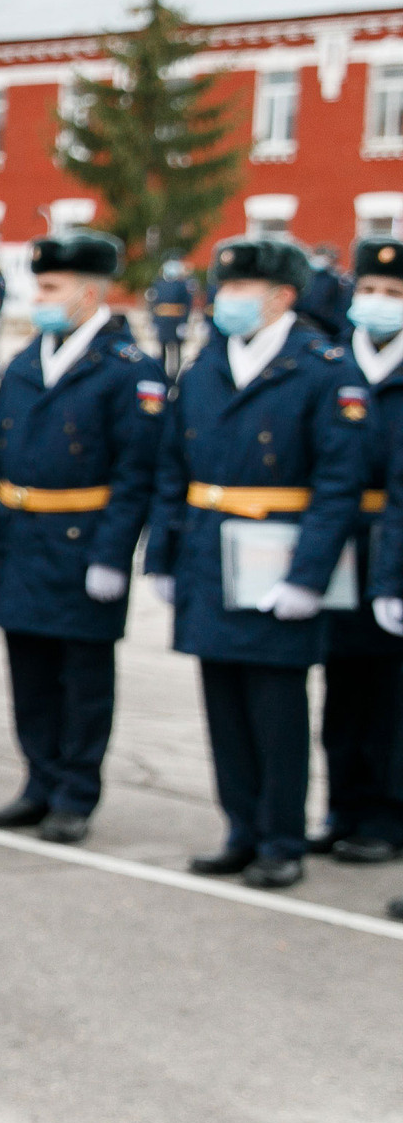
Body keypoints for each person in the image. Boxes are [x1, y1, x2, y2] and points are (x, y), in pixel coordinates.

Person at [144, 235, 367, 889]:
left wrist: (308, 576)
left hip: (280, 556)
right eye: (224, 287)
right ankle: (240, 828)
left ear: (283, 297)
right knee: (223, 704)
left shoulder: (322, 368)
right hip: (211, 553)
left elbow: (338, 486)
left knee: (275, 709)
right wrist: (162, 554)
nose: (225, 300)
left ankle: (281, 838)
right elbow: (172, 466)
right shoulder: (208, 363)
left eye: (241, 290)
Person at [0, 232, 161, 844]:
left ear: (88, 291)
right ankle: (38, 783)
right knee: (30, 670)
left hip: (83, 541)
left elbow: (137, 472)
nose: (39, 297)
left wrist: (113, 554)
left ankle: (76, 793)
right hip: (22, 535)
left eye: (50, 287)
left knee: (81, 678)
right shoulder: (26, 361)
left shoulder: (127, 370)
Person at [321, 237, 403, 863]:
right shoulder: (334, 362)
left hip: (393, 545)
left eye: (393, 294)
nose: (378, 302)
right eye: (371, 291)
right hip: (337, 539)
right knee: (341, 688)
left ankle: (384, 816)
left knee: (389, 695)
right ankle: (343, 805)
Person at [146, 253, 200, 380]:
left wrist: (184, 323)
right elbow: (153, 303)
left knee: (176, 350)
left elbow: (186, 304)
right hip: (162, 321)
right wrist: (153, 321)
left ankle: (176, 376)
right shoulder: (158, 284)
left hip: (176, 320)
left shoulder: (182, 285)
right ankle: (162, 374)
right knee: (162, 349)